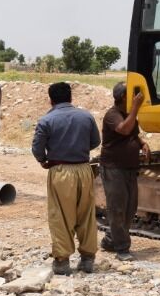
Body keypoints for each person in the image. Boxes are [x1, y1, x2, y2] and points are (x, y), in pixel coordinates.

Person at [32, 82, 101, 275]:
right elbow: (96, 141)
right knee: (86, 215)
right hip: (84, 170)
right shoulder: (86, 116)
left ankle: (62, 262)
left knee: (61, 216)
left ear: (51, 100)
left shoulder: (47, 120)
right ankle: (88, 260)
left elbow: (37, 148)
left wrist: (43, 160)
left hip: (60, 171)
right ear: (71, 98)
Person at [99, 82, 150, 261]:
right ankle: (122, 249)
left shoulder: (128, 115)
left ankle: (111, 240)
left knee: (130, 207)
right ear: (123, 98)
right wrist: (135, 108)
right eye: (132, 96)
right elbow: (124, 129)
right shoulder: (112, 115)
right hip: (114, 169)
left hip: (129, 168)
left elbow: (133, 133)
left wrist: (142, 143)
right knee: (117, 208)